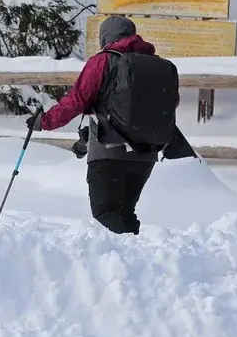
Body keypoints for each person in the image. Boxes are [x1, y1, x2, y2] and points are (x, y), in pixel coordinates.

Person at [26, 15, 179, 235]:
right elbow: (170, 104)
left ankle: (118, 264)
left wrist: (44, 121)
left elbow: (77, 100)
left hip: (109, 151)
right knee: (126, 213)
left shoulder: (103, 60)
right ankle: (135, 263)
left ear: (106, 37)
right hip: (146, 153)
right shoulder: (159, 65)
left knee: (105, 214)